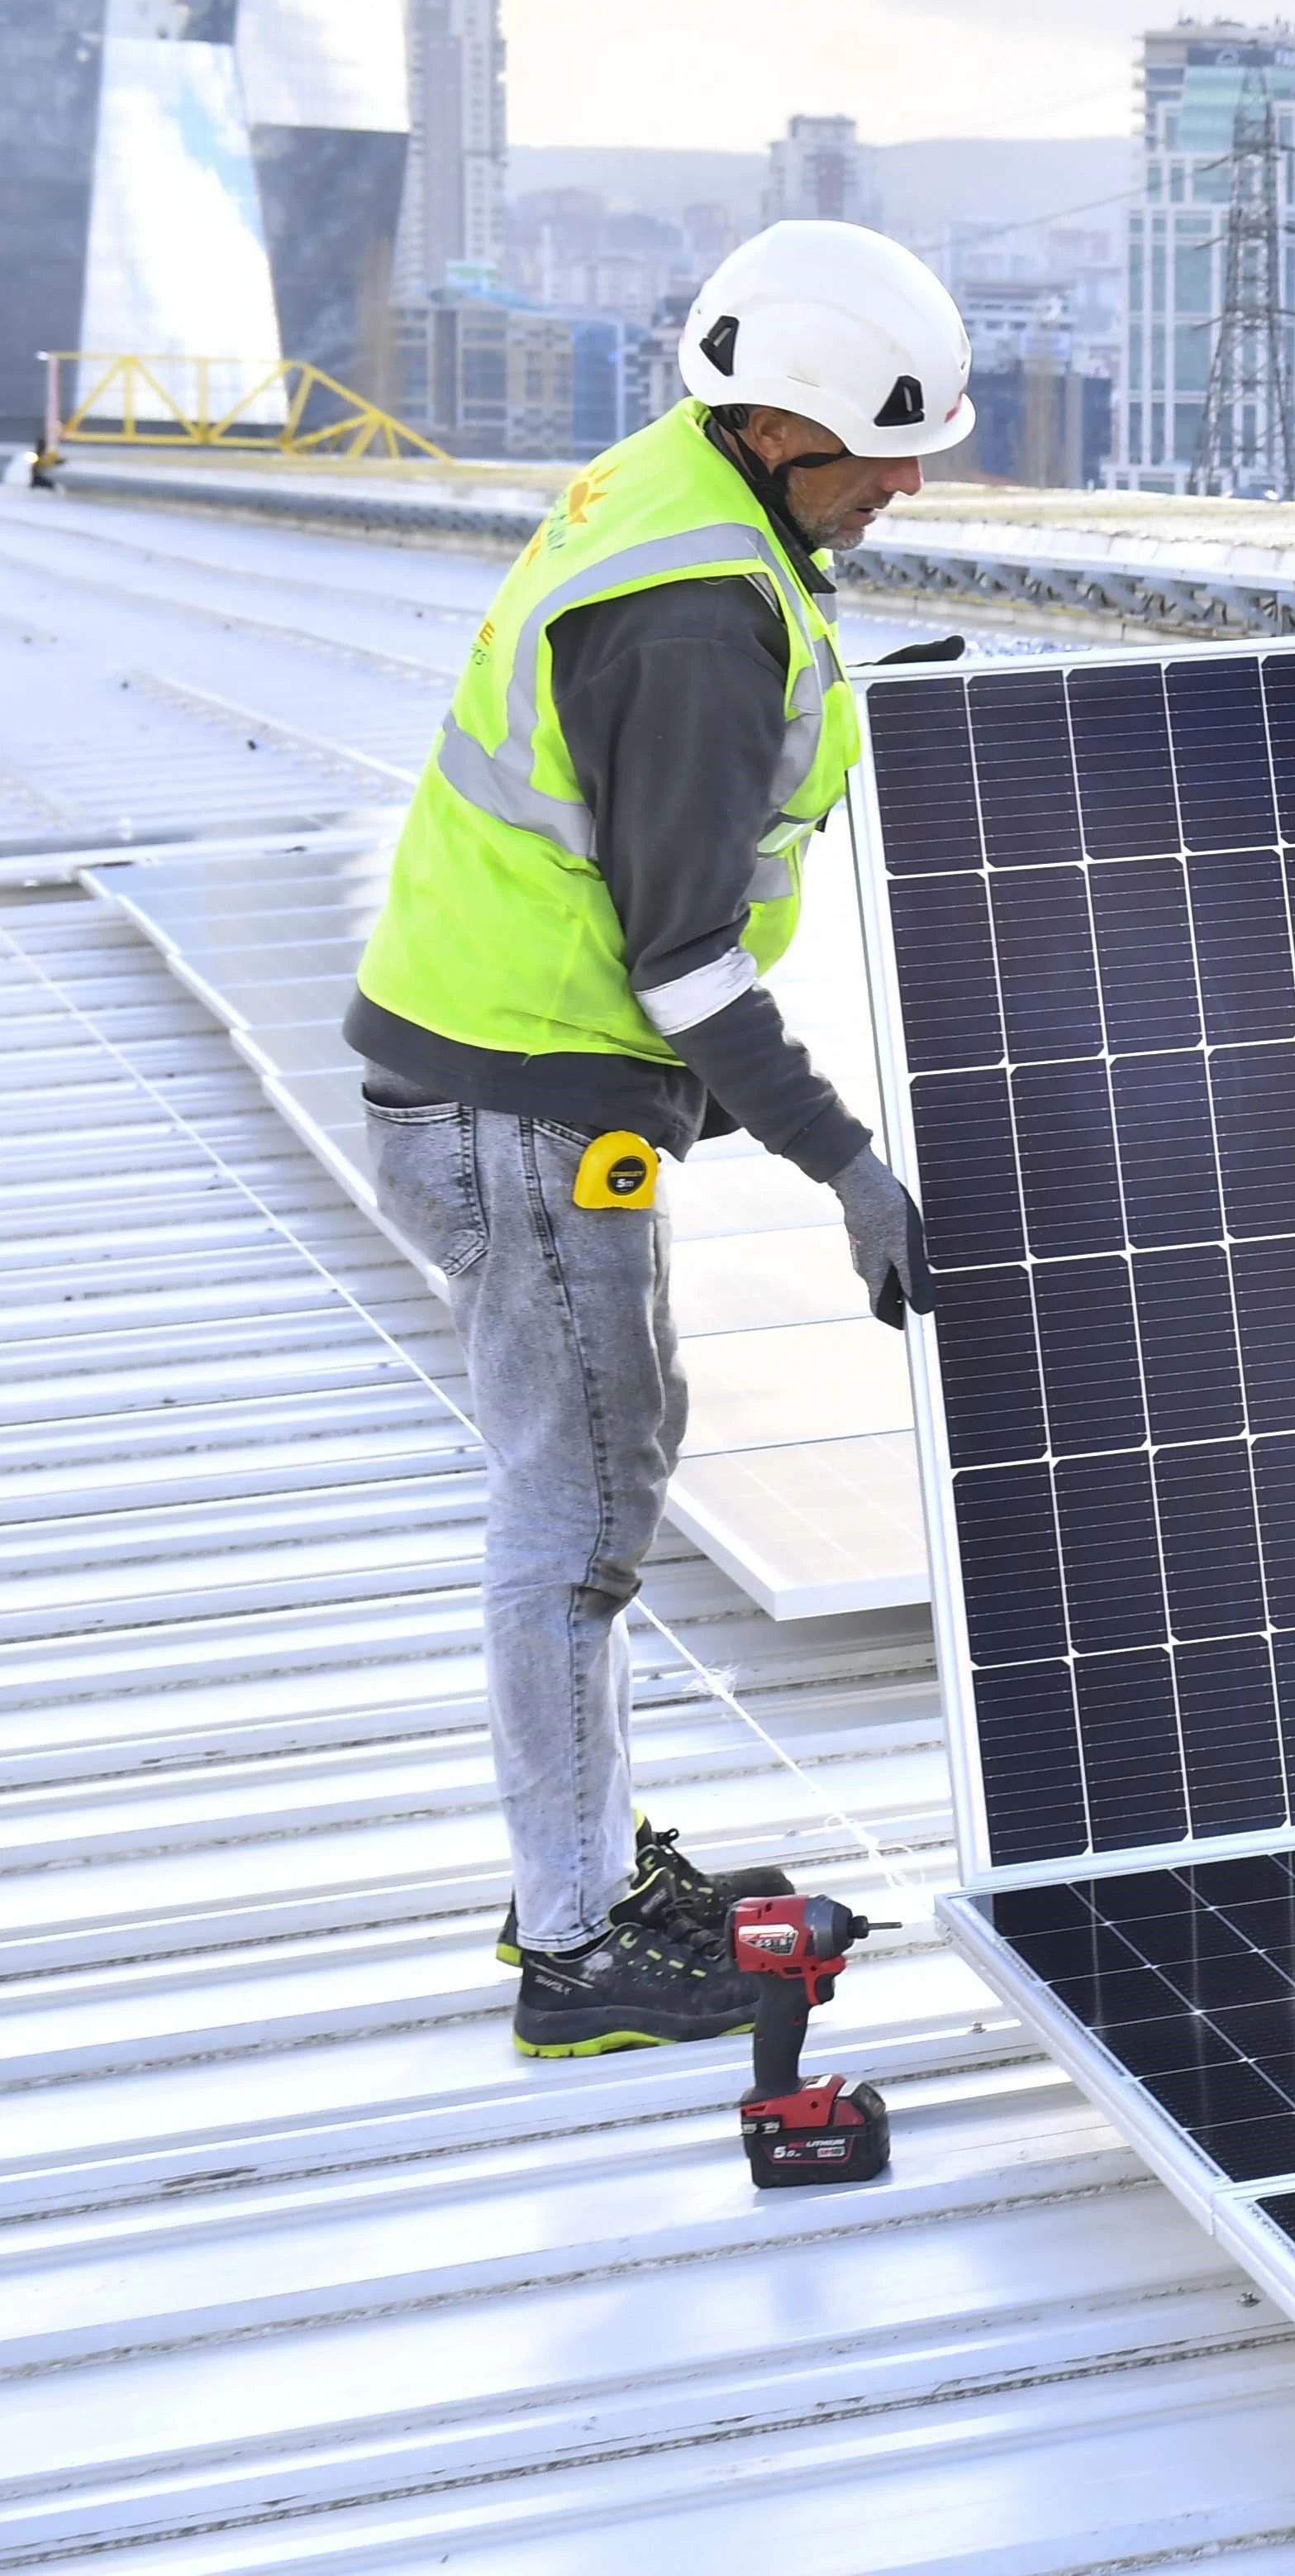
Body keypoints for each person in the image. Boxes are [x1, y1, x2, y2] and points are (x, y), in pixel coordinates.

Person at [347, 221, 954, 2058]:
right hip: (525, 1105)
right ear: (779, 428)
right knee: (582, 1509)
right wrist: (846, 1166)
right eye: (879, 450)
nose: (908, 482)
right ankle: (576, 1941)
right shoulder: (693, 609)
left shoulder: (692, 497)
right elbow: (680, 960)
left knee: (603, 1474)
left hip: (501, 1076)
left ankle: (591, 1865)